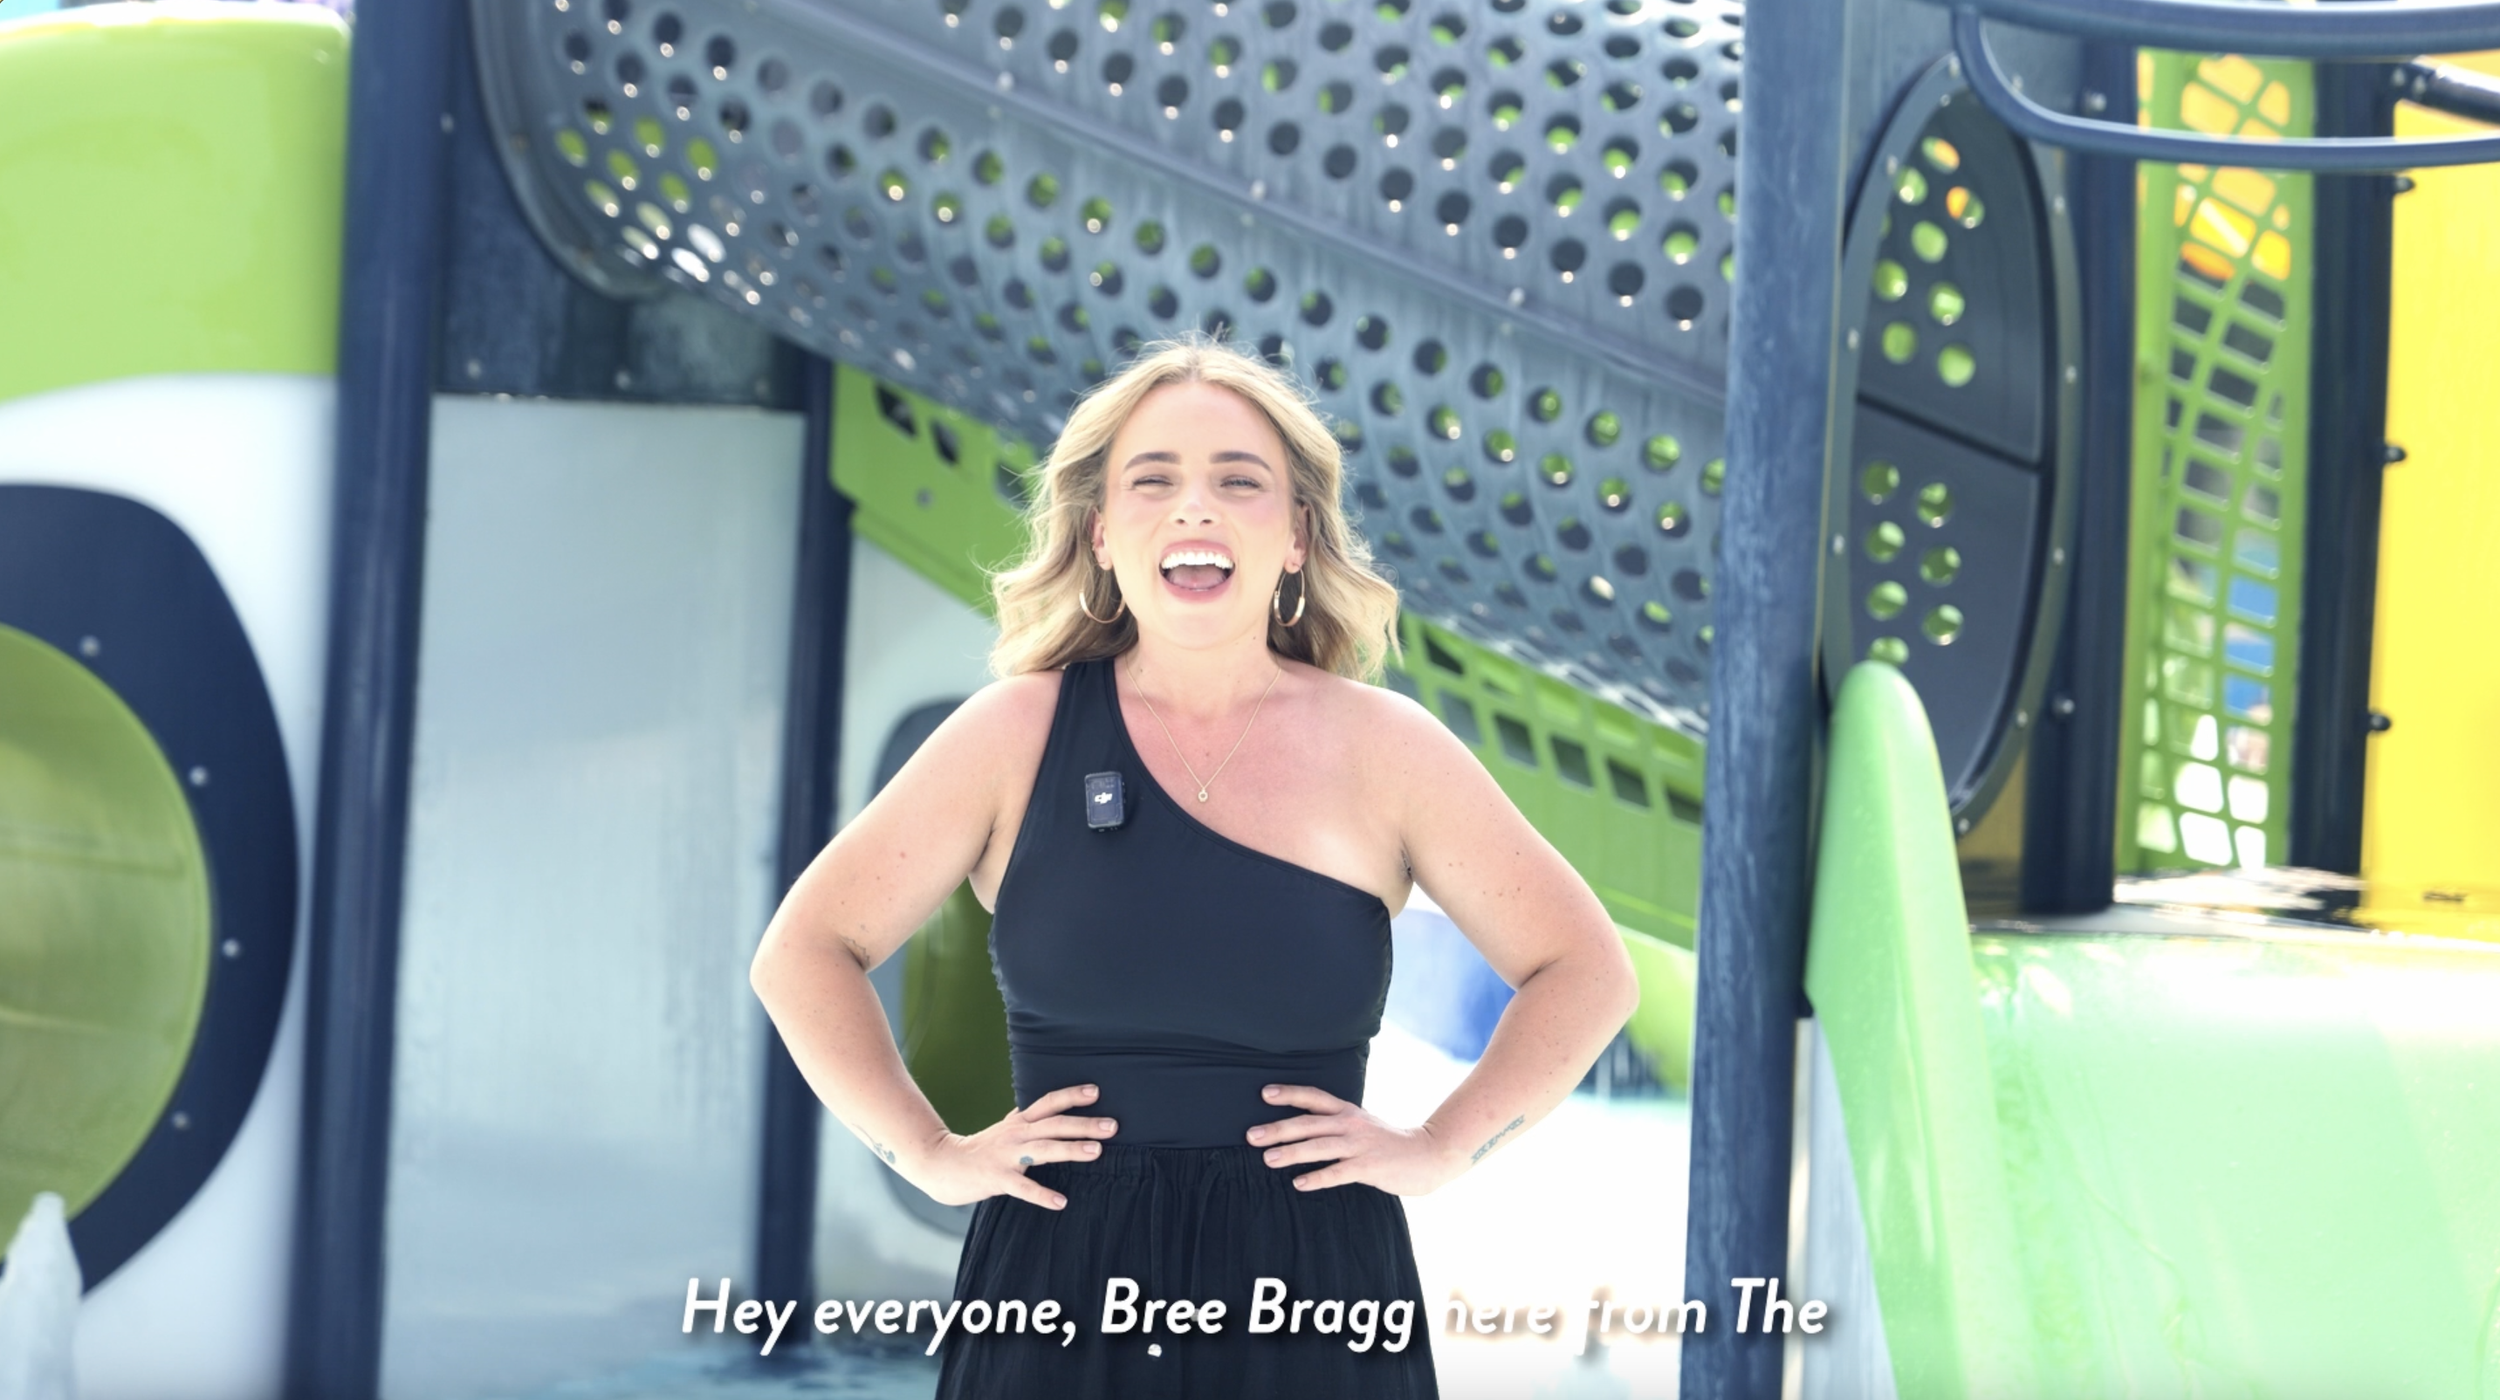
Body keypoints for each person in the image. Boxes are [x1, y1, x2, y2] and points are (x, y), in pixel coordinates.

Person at [749, 337, 1640, 1397]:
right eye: (1153, 479)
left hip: (1316, 1294)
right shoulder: (1014, 734)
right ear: (1101, 531)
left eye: (1238, 480)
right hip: (1057, 1291)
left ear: (1297, 535)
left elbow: (1586, 971)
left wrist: (1444, 1145)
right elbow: (804, 952)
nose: (1194, 507)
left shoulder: (1388, 750)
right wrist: (928, 1153)